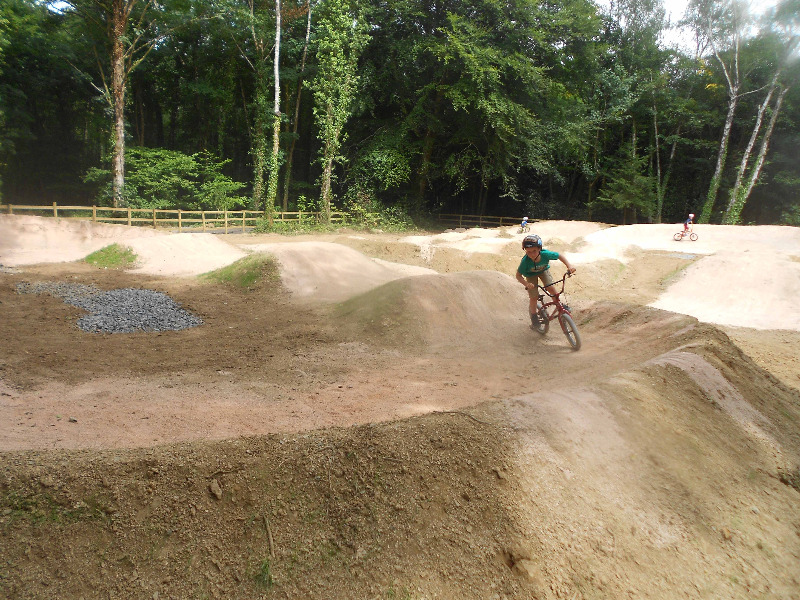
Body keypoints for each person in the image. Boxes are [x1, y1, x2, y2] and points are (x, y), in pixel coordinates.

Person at [515, 234, 576, 326]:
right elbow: (518, 275)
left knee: (550, 287)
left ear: (539, 248)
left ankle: (559, 305)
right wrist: (526, 284)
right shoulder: (525, 262)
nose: (531, 254)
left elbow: (560, 256)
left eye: (534, 251)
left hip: (543, 270)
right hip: (530, 275)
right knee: (533, 297)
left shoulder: (545, 254)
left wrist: (569, 266)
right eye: (528, 252)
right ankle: (534, 316)